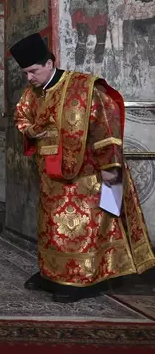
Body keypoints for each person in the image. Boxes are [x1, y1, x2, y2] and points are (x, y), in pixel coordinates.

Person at [11, 33, 155, 303]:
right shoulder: (32, 94)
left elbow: (108, 129)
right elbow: (21, 117)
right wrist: (31, 129)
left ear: (50, 63)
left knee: (89, 227)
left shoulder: (84, 88)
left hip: (89, 177)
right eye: (25, 73)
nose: (29, 78)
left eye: (33, 71)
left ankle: (86, 280)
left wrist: (111, 174)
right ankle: (52, 273)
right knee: (51, 228)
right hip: (50, 178)